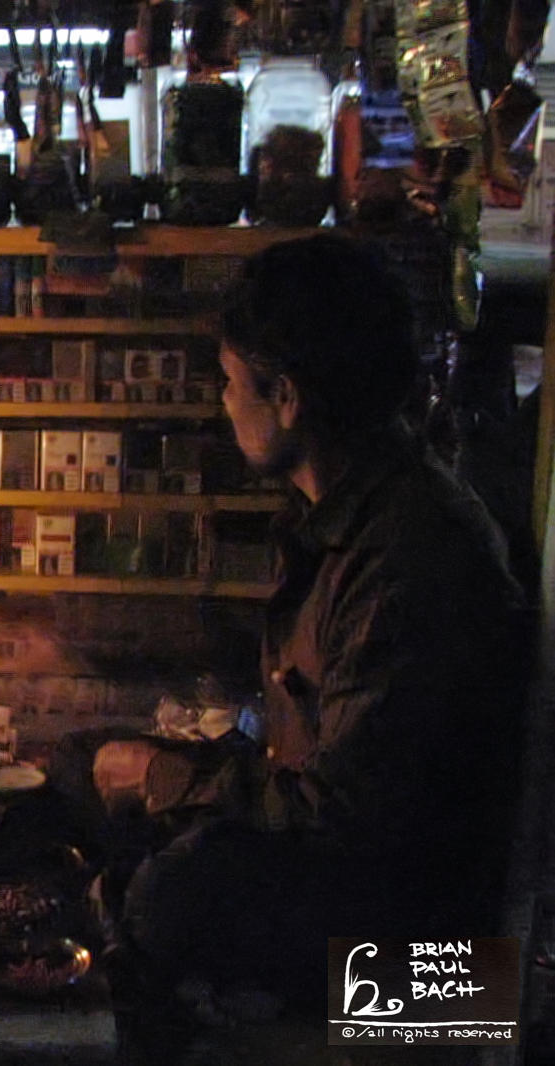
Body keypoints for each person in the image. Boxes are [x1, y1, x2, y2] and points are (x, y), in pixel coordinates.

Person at [85, 234, 532, 1008]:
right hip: (359, 882)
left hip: (442, 973)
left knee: (175, 892)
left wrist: (164, 778)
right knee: (86, 769)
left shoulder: (407, 556)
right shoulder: (353, 512)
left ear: (286, 398)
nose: (223, 402)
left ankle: (178, 993)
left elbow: (340, 815)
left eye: (230, 383)